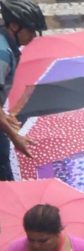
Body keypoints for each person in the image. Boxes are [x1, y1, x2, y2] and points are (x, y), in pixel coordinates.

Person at [0, 0, 45, 181]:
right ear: (14, 26)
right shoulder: (3, 53)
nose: (33, 36)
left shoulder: (7, 46)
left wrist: (6, 118)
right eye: (31, 30)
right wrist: (14, 138)